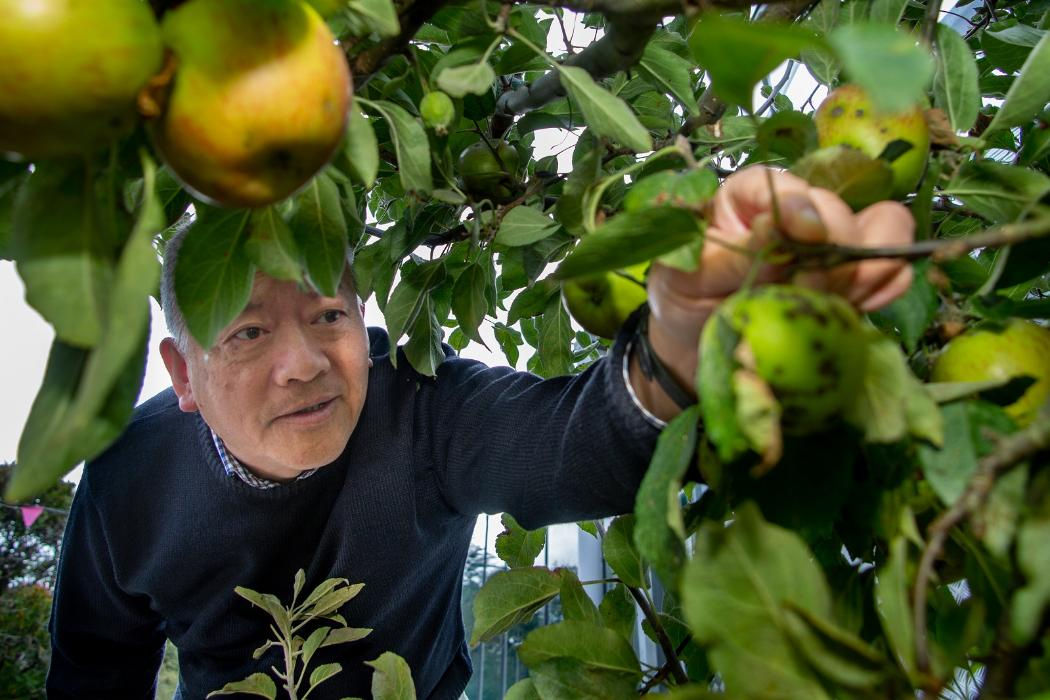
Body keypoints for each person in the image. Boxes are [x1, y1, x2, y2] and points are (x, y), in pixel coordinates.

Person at [46, 166, 915, 698]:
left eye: (328, 315)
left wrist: (683, 348)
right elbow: (94, 678)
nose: (305, 363)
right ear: (181, 372)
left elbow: (572, 444)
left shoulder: (422, 408)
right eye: (246, 332)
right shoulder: (126, 480)